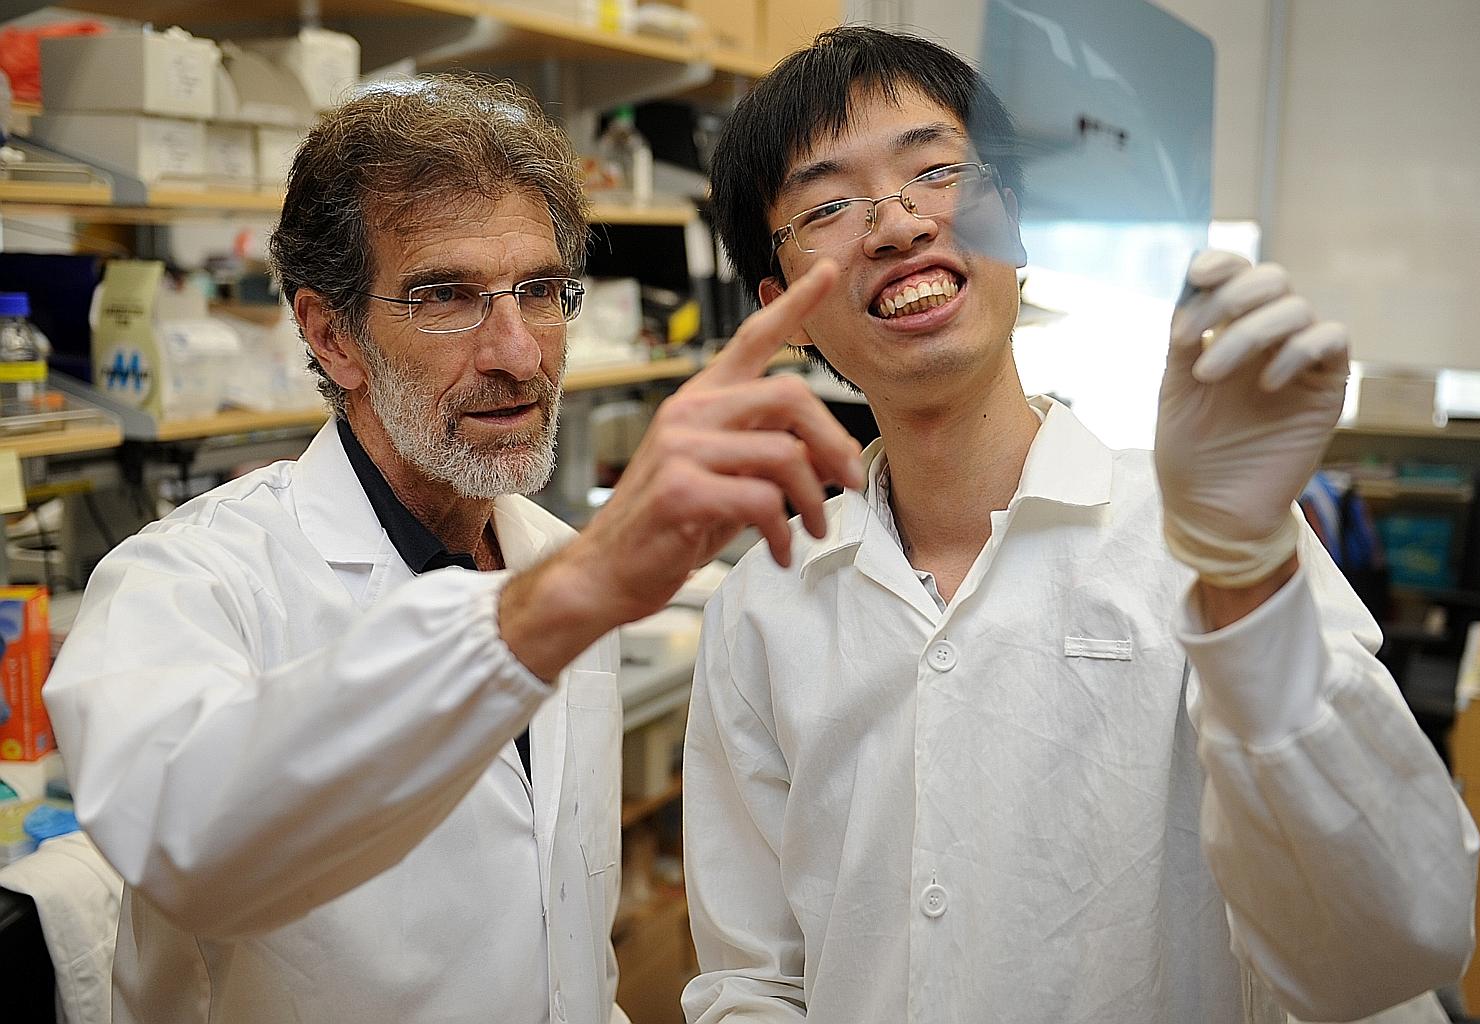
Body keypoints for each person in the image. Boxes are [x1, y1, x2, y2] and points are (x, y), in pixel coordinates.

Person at [682, 27, 1479, 1024]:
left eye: (936, 171)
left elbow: (1392, 944)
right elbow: (752, 980)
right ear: (778, 308)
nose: (896, 226)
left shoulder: (1206, 546)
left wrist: (1243, 573)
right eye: (831, 205)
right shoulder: (766, 604)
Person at [42, 76, 865, 1024]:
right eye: (447, 297)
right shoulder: (184, 585)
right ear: (331, 334)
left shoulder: (549, 562)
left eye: (542, 291)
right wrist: (573, 594)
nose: (518, 351)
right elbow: (188, 853)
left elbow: (563, 950)